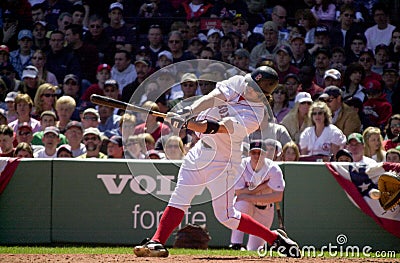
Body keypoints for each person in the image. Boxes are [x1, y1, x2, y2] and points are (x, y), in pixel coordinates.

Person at [133, 66, 301, 258]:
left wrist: (188, 123)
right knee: (179, 198)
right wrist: (188, 111)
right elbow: (213, 98)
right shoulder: (240, 82)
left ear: (262, 95)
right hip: (199, 152)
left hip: (223, 161)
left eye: (254, 87)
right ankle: (157, 242)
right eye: (249, 83)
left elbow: (218, 128)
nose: (248, 87)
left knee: (227, 216)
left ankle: (274, 239)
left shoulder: (255, 115)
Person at [229, 140, 285, 251]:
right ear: (249, 154)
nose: (256, 156)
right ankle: (236, 244)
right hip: (247, 205)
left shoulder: (273, 168)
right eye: (253, 153)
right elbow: (239, 193)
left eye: (259, 153)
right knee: (241, 204)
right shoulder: (242, 165)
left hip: (265, 209)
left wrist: (249, 195)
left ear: (265, 154)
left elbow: (278, 196)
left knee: (254, 249)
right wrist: (263, 186)